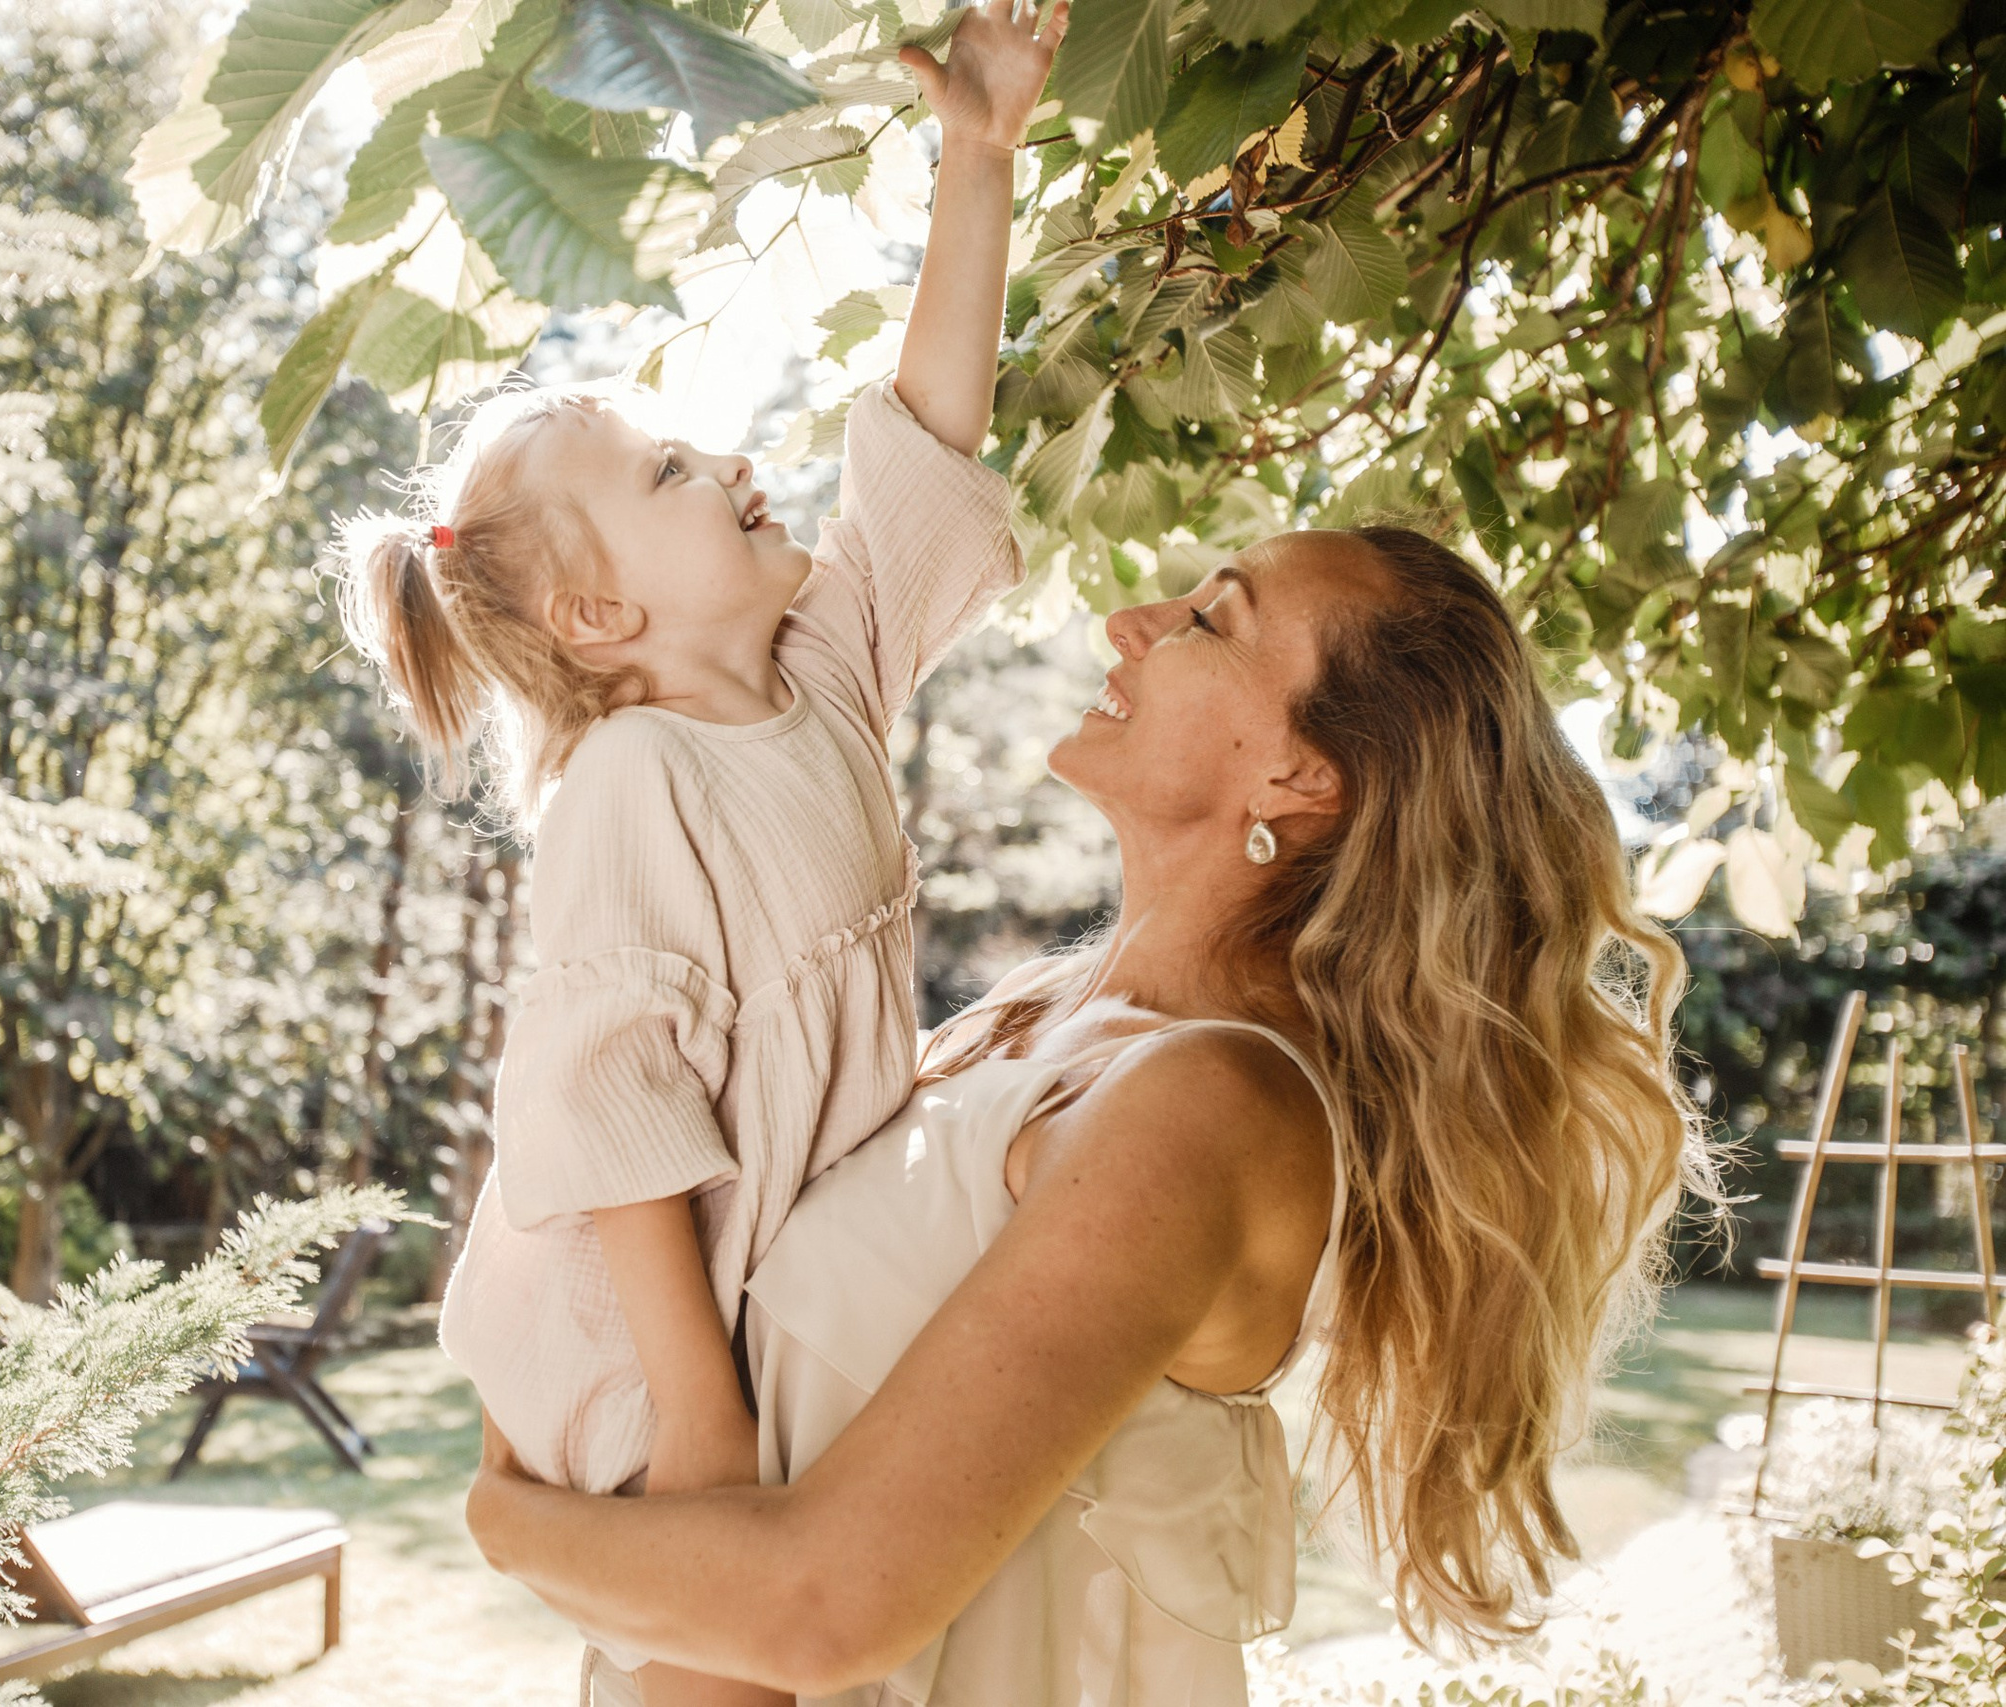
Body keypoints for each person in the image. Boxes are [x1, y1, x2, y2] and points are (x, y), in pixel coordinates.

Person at [464, 526, 1718, 1705]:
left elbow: (825, 1604)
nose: (1130, 623)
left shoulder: (1210, 1105)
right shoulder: (1028, 1021)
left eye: (1211, 620)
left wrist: (506, 1517)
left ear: (1298, 775)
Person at [328, 6, 1068, 1700]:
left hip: (764, 1302)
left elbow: (926, 443)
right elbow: (611, 1108)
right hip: (647, 1342)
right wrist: (697, 1413)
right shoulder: (634, 780)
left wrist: (978, 157)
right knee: (709, 1670)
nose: (735, 462)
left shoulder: (822, 674)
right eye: (672, 470)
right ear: (602, 618)